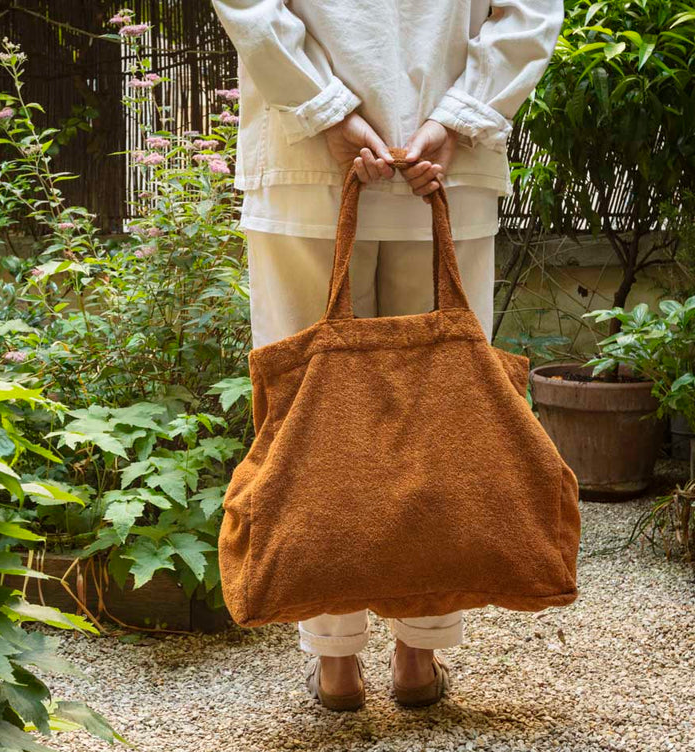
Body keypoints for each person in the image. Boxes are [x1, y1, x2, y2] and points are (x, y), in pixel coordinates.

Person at [211, 0, 564, 710]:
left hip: (303, 158)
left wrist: (328, 111)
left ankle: (336, 664)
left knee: (311, 423)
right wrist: (457, 118)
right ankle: (418, 658)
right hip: (444, 163)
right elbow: (529, 12)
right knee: (445, 419)